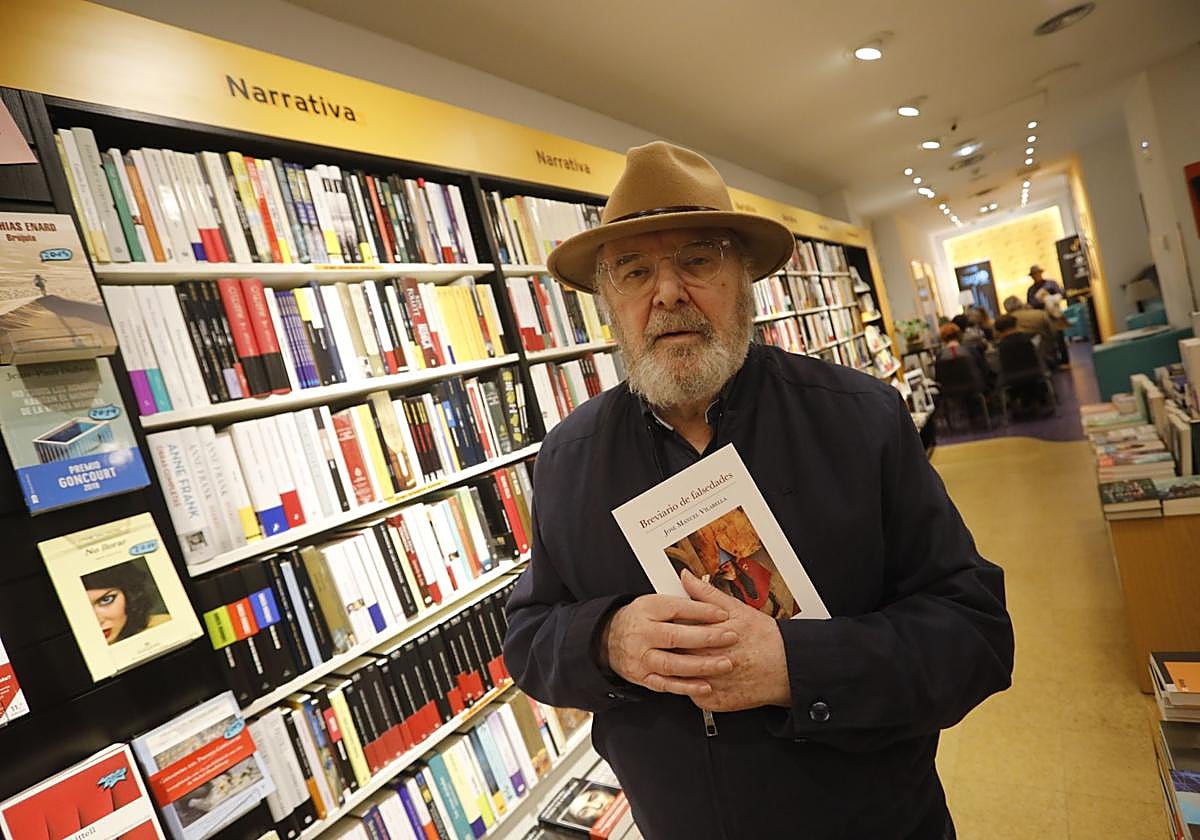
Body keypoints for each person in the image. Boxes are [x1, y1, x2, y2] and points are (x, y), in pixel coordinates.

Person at [503, 141, 1013, 840]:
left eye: (698, 260)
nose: (669, 292)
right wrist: (607, 641)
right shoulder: (569, 456)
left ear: (745, 279)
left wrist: (796, 666)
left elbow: (975, 634)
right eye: (634, 271)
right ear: (609, 303)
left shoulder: (861, 418)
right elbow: (529, 640)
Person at [82, 561, 170, 644]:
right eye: (82, 607)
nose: (98, 621)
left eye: (106, 600)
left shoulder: (163, 625)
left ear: (130, 595)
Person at [1003, 295, 1060, 366]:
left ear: (1006, 308)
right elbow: (1053, 333)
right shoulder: (1040, 314)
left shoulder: (1004, 321)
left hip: (1015, 361)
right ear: (1021, 303)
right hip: (1045, 355)